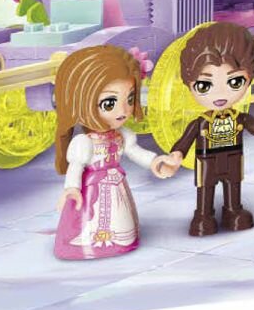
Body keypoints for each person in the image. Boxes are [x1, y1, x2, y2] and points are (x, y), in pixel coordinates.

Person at [158, 23, 254, 235]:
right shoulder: (201, 122)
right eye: (204, 85)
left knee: (233, 185)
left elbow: (251, 123)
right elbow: (185, 140)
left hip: (233, 157)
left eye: (235, 82)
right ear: (189, 83)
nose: (219, 94)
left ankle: (233, 210)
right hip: (207, 160)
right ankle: (203, 214)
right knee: (205, 188)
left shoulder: (237, 117)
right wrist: (175, 156)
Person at [52, 46, 176, 260]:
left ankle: (120, 240)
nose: (123, 111)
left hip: (116, 184)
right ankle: (94, 242)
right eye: (109, 103)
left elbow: (135, 151)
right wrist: (71, 188)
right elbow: (76, 167)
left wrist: (155, 162)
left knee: (119, 216)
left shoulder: (121, 135)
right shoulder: (83, 142)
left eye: (130, 99)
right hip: (92, 189)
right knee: (95, 218)